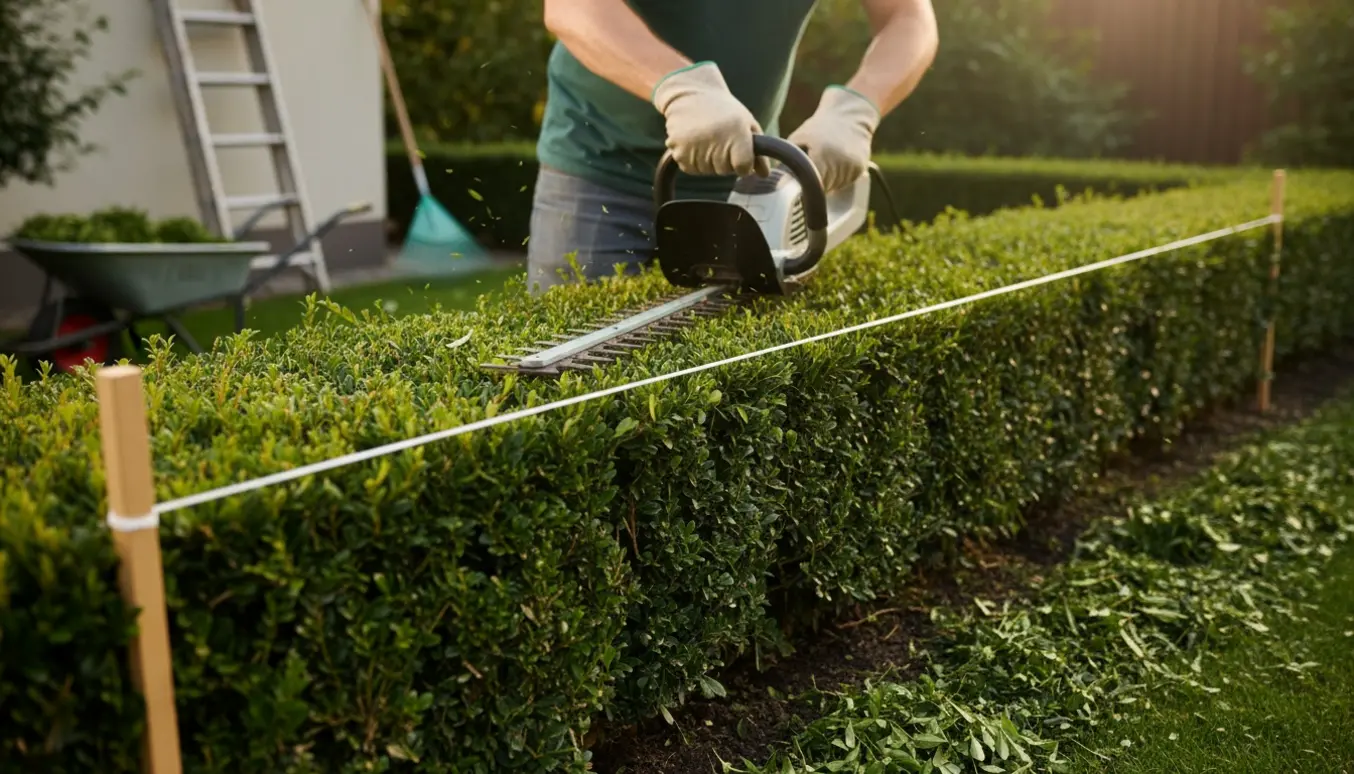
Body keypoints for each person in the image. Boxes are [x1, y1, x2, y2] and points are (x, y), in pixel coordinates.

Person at [527, 0, 939, 294]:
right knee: (571, 374)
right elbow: (571, 7)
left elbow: (908, 15)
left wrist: (857, 109)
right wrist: (681, 88)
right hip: (599, 170)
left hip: (750, 183)